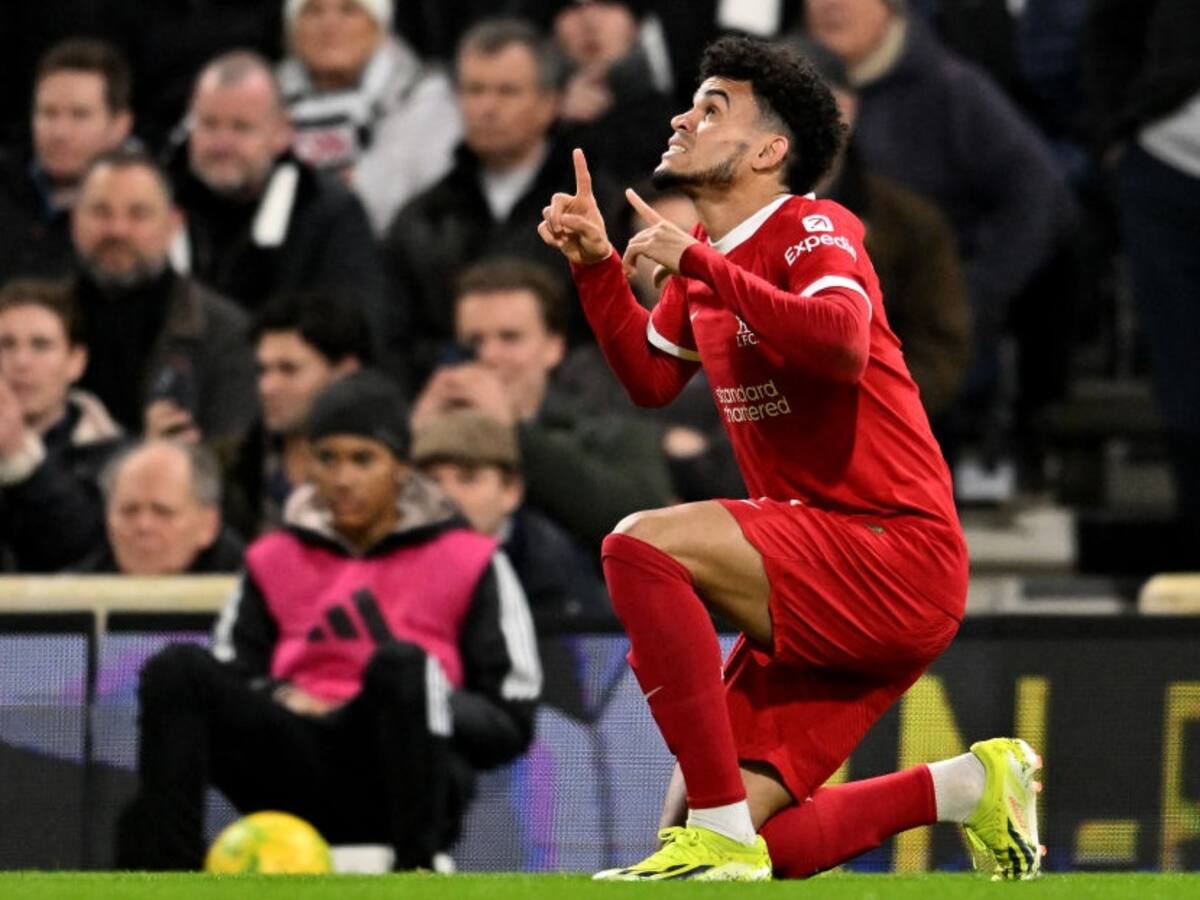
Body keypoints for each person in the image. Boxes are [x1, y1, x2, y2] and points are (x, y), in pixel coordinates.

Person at [539, 36, 1041, 880]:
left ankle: (721, 834)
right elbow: (653, 382)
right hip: (825, 573)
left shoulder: (812, 225)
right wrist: (596, 269)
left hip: (892, 551)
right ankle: (966, 785)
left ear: (770, 151)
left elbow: (841, 343)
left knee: (639, 545)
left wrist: (694, 258)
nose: (682, 117)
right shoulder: (708, 259)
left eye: (712, 108)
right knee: (729, 843)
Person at [115, 371, 540, 871]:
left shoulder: (472, 559)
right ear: (307, 465)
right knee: (176, 669)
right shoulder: (271, 558)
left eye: (363, 459)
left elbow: (510, 721)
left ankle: (417, 871)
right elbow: (232, 677)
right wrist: (282, 697)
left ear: (402, 469)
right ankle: (171, 878)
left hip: (401, 766)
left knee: (401, 666)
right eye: (327, 458)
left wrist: (416, 698)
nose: (343, 479)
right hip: (292, 759)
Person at [383, 17, 625, 380]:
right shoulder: (420, 219)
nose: (487, 108)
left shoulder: (602, 210)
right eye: (474, 91)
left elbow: (619, 332)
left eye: (506, 91)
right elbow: (397, 342)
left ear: (550, 103)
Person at [409, 257, 672, 557]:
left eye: (510, 338)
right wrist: (413, 441)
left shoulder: (614, 433)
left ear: (553, 347)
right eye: (473, 341)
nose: (489, 355)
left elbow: (640, 523)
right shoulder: (427, 427)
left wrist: (511, 432)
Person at [168, 50, 387, 357]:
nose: (222, 144)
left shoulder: (330, 212)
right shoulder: (158, 203)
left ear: (283, 132)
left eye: (241, 127)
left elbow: (356, 332)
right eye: (208, 125)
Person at [70, 148, 257, 443]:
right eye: (101, 212)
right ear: (74, 220)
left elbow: (230, 457)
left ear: (174, 224)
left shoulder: (226, 333)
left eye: (138, 214)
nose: (117, 230)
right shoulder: (31, 323)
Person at [279, 0, 463, 235]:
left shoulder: (427, 101)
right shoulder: (260, 102)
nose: (329, 25)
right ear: (291, 30)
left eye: (349, 10)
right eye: (313, 11)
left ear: (379, 26)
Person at [220, 292, 370, 540]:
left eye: (288, 369)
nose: (267, 387)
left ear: (345, 373)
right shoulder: (230, 469)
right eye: (263, 370)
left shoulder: (388, 477)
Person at [0, 278, 124, 572]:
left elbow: (83, 550)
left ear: (75, 362)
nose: (21, 362)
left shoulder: (118, 457)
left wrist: (18, 458)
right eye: (5, 345)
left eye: (41, 346)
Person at [0, 39, 134, 284]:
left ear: (120, 125)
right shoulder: (7, 185)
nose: (60, 132)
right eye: (48, 113)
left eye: (79, 115)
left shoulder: (141, 210)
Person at [80, 439, 244, 574]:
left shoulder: (255, 596)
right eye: (129, 511)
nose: (143, 525)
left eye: (163, 512)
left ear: (209, 526)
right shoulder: (71, 599)